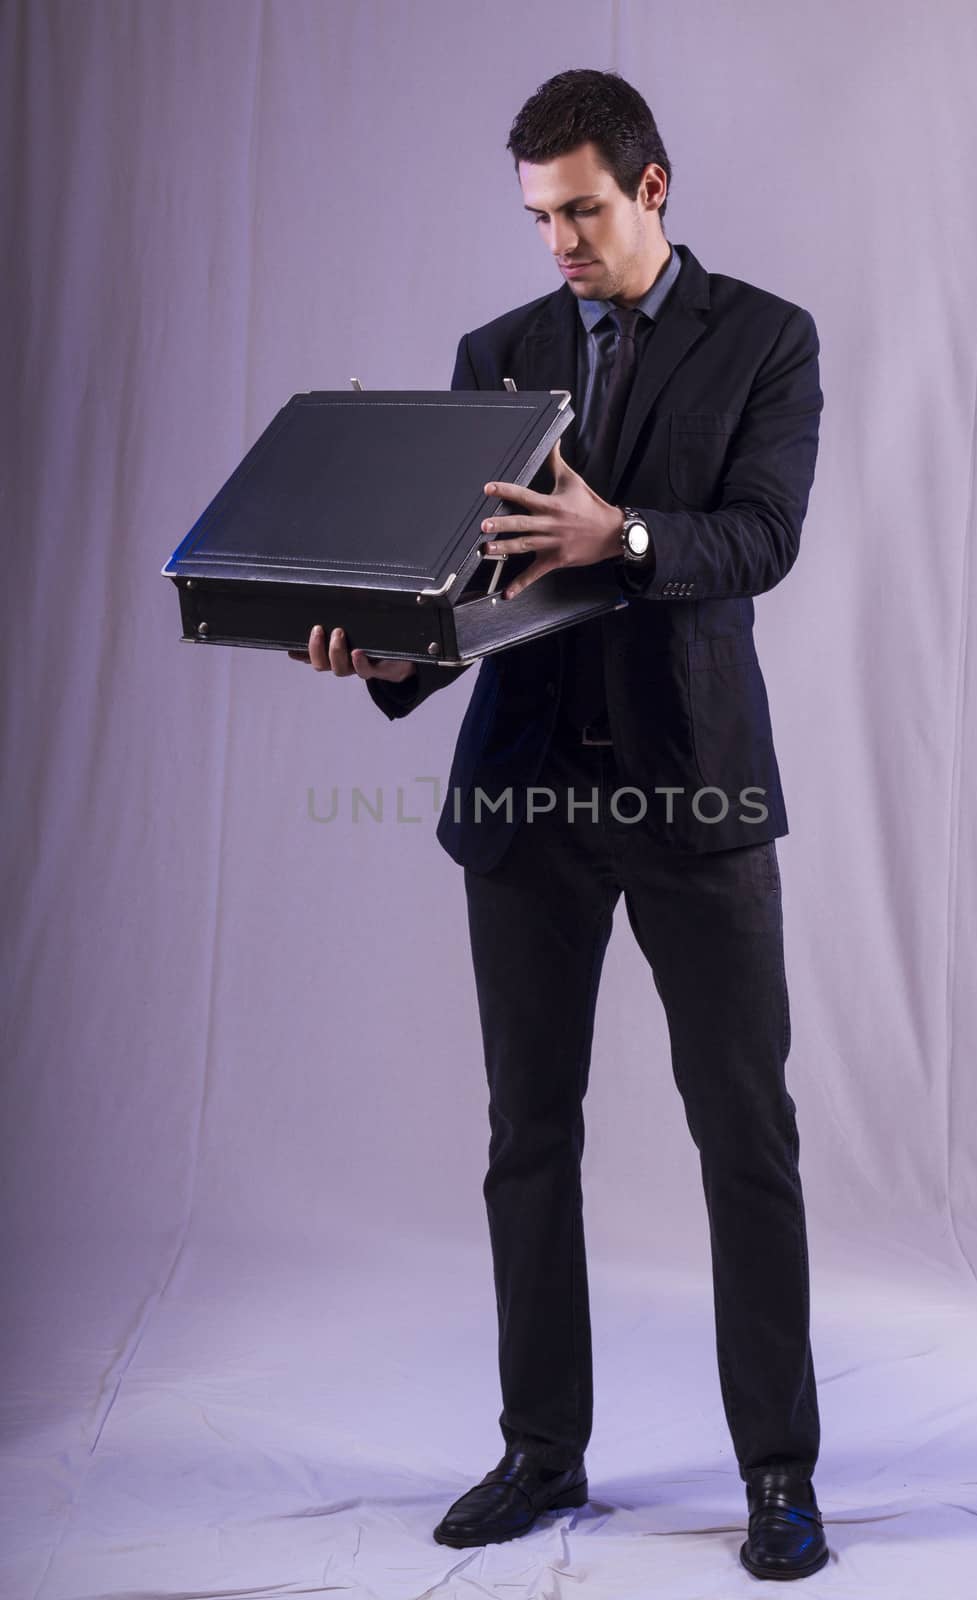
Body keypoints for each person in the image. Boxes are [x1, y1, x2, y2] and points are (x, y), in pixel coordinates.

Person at [290, 68, 828, 1582]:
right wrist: (394, 652)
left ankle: (779, 1472)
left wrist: (628, 534)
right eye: (538, 219)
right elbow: (461, 581)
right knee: (528, 1137)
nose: (560, 246)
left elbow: (767, 535)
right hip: (525, 795)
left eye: (581, 211)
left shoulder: (769, 339)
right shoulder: (501, 352)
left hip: (697, 789)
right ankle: (542, 1450)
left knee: (747, 1138)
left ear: (653, 189)